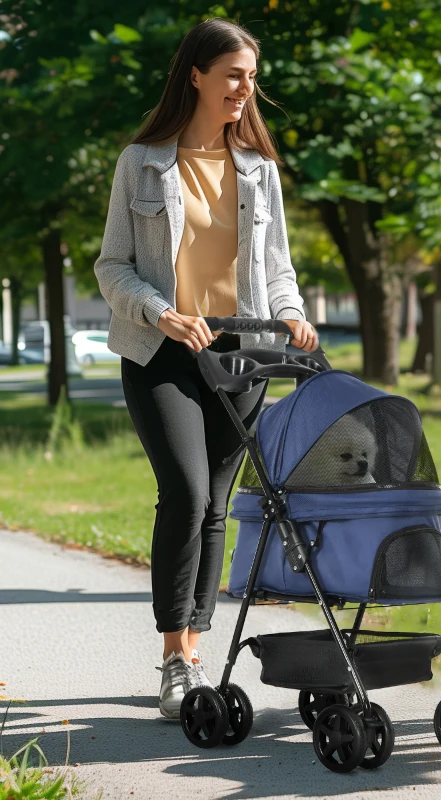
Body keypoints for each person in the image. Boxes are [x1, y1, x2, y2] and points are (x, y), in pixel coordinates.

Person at [94, 18, 319, 720]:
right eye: (233, 75)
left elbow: (276, 268)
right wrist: (159, 311)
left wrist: (294, 314)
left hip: (241, 355)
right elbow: (112, 266)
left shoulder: (258, 170)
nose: (245, 90)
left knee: (217, 506)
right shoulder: (142, 162)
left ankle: (195, 650)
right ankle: (172, 656)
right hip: (162, 353)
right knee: (187, 494)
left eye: (251, 78)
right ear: (195, 74)